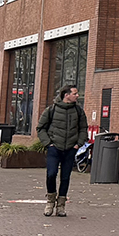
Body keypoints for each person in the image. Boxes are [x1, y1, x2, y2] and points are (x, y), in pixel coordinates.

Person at [36, 84, 89, 217]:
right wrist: (49, 143)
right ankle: (50, 201)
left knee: (65, 177)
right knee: (51, 174)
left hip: (70, 148)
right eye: (75, 93)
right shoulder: (51, 110)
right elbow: (41, 128)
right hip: (55, 148)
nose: (77, 96)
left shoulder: (78, 111)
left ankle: (61, 205)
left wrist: (78, 144)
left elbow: (83, 128)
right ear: (66, 95)